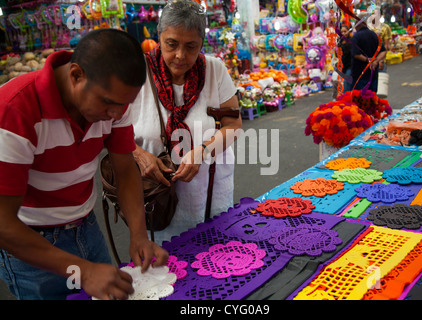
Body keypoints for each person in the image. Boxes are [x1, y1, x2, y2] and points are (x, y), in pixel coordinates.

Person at [0, 28, 168, 300]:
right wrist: (84, 271)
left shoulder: (115, 100)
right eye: (108, 104)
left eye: (124, 105)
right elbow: (3, 225)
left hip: (86, 229)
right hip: (30, 245)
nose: (115, 114)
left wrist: (138, 235)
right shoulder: (13, 111)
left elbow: (125, 169)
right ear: (76, 75)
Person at [129, 0, 242, 244]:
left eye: (191, 47)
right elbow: (110, 130)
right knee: (168, 271)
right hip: (156, 201)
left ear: (202, 43)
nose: (180, 55)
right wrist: (139, 154)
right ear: (159, 37)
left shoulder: (215, 70)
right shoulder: (136, 72)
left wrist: (202, 152)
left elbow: (233, 126)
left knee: (216, 260)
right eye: (172, 44)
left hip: (211, 195)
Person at [350, 13, 387, 93]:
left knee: (360, 99)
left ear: (358, 23)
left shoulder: (356, 37)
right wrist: (376, 61)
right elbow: (383, 51)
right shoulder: (374, 35)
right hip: (373, 74)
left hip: (360, 75)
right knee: (372, 98)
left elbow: (356, 54)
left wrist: (368, 60)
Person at [338, 24, 353, 93]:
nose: (343, 33)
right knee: (343, 83)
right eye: (342, 32)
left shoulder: (351, 41)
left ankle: (346, 98)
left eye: (345, 31)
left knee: (347, 83)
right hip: (342, 66)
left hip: (350, 65)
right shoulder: (339, 42)